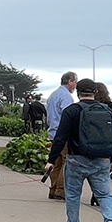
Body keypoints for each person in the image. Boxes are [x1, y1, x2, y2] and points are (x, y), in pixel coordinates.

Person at [41, 78, 112, 222]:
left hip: (76, 160)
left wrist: (51, 160)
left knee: (73, 195)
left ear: (78, 92)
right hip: (102, 161)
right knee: (104, 195)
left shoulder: (72, 111)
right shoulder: (108, 110)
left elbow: (60, 138)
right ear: (95, 92)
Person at [45, 72, 78, 200]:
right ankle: (61, 189)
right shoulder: (66, 97)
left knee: (56, 163)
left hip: (53, 132)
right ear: (70, 81)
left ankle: (53, 189)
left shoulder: (53, 95)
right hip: (63, 134)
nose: (75, 85)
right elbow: (68, 116)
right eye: (75, 82)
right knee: (66, 163)